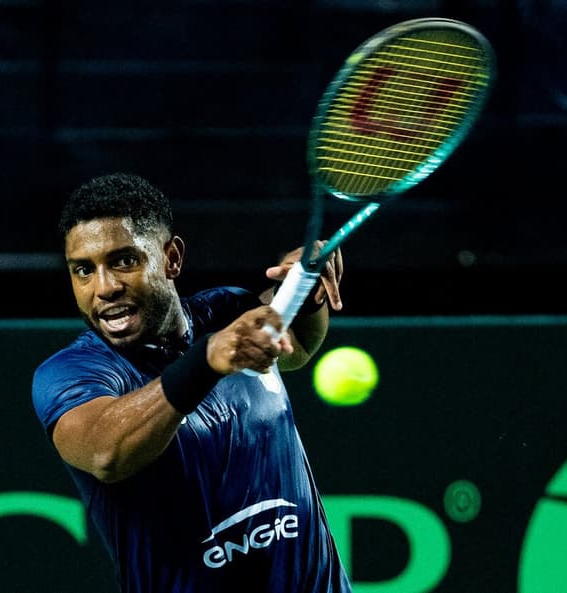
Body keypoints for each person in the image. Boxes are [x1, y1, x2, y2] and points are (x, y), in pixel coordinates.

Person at [31, 172, 352, 593]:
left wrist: (307, 293)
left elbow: (298, 344)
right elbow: (105, 452)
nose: (104, 287)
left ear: (171, 259)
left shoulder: (228, 312)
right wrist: (205, 361)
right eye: (83, 271)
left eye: (124, 261)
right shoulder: (71, 373)